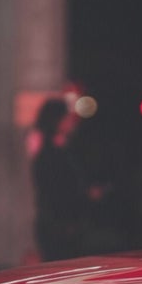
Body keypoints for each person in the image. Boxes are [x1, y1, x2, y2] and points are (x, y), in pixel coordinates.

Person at [31, 97, 92, 261]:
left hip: (64, 222)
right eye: (66, 118)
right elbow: (53, 190)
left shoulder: (63, 149)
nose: (70, 122)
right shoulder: (49, 153)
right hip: (59, 224)